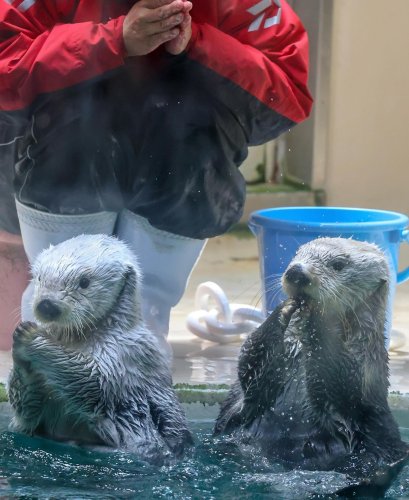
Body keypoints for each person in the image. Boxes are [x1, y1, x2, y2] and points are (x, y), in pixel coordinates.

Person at [0, 0, 313, 357]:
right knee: (80, 113)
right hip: (41, 166)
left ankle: (143, 322)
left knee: (191, 120)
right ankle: (57, 329)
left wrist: (198, 43)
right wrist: (111, 40)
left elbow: (287, 94)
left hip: (177, 161)